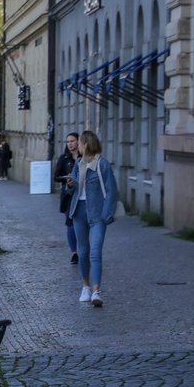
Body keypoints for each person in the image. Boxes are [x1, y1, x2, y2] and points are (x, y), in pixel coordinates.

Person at [66, 130, 118, 307]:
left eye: (79, 143)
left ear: (86, 144)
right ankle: (85, 287)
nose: (77, 146)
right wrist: (70, 185)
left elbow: (112, 191)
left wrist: (106, 215)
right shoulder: (78, 163)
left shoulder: (102, 164)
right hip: (78, 212)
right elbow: (71, 189)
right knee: (83, 252)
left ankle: (96, 291)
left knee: (95, 252)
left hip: (97, 214)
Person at [55, 132, 80, 264]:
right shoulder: (64, 158)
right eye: (68, 142)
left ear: (78, 142)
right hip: (69, 195)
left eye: (72, 141)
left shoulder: (84, 158)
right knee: (70, 223)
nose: (70, 144)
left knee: (82, 223)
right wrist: (66, 178)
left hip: (82, 194)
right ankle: (74, 252)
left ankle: (84, 249)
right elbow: (56, 177)